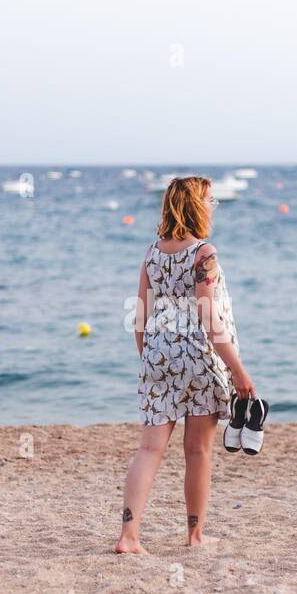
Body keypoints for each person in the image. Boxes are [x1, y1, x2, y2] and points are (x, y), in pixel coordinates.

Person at [115, 176, 255, 553]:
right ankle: (194, 536)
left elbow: (140, 318)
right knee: (198, 451)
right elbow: (209, 319)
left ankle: (128, 536)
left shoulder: (152, 253)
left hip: (158, 353)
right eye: (210, 200)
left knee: (149, 449)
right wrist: (239, 371)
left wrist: (149, 358)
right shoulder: (203, 253)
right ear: (196, 204)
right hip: (198, 356)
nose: (214, 206)